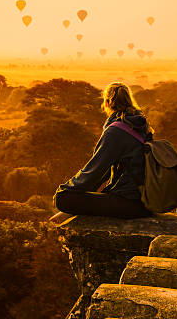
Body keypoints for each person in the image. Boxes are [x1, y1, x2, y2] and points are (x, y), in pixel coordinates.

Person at [51, 82, 153, 223]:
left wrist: (67, 189)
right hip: (146, 201)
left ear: (107, 103)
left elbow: (94, 171)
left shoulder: (116, 131)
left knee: (63, 198)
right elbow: (103, 175)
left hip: (130, 204)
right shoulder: (140, 126)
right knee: (76, 196)